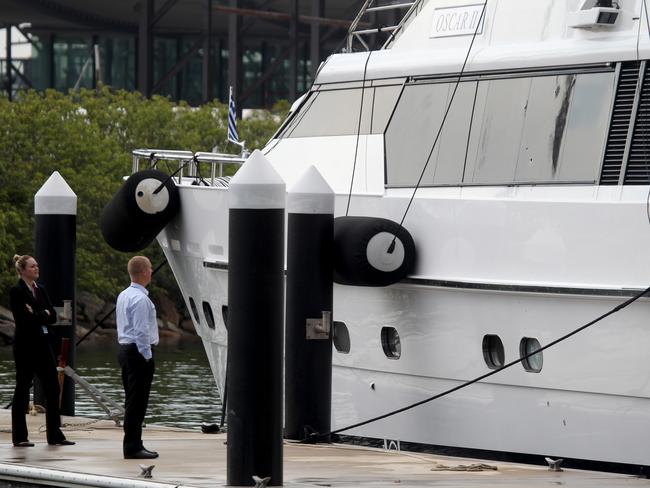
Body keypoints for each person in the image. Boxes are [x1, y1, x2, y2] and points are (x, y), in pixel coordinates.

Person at [9, 254, 75, 447]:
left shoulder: (41, 289)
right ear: (22, 270)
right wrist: (41, 314)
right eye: (32, 266)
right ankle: (20, 437)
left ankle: (55, 435)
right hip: (25, 347)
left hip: (43, 345)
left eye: (37, 265)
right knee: (22, 389)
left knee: (53, 388)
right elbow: (24, 319)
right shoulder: (17, 291)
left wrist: (40, 313)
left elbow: (52, 315)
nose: (36, 268)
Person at [116, 255, 159, 459]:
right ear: (143, 272)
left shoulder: (124, 295)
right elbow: (141, 331)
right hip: (137, 352)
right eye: (150, 268)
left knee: (131, 399)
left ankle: (133, 442)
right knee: (137, 402)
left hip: (125, 350)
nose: (151, 271)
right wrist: (147, 356)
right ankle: (133, 446)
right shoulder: (141, 299)